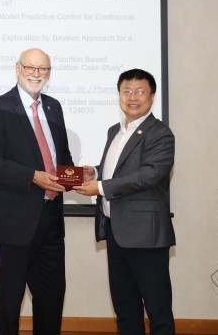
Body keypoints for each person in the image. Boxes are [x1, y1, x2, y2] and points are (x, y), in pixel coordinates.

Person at [0, 48, 75, 335]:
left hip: (50, 221)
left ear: (49, 74)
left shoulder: (54, 107)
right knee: (9, 301)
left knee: (51, 299)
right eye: (30, 67)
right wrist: (32, 176)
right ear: (17, 68)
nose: (36, 74)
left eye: (43, 69)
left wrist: (79, 175)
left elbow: (61, 157)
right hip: (12, 222)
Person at [73, 68, 175, 335]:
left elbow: (150, 174)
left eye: (140, 91)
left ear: (152, 97)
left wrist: (100, 187)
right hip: (115, 231)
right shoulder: (114, 131)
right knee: (125, 309)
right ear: (119, 95)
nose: (133, 97)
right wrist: (94, 172)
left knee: (158, 310)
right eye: (126, 91)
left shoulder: (160, 133)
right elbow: (118, 169)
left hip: (146, 235)